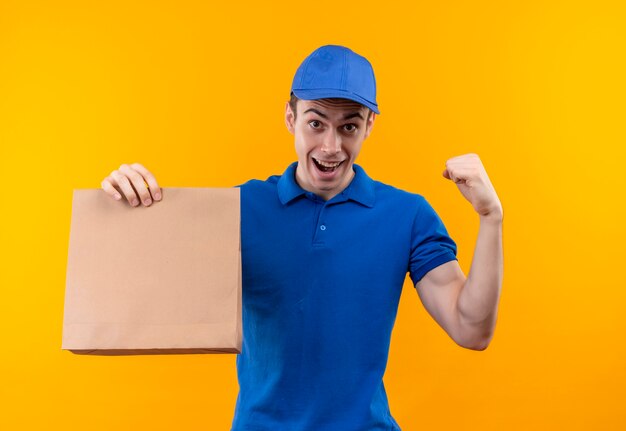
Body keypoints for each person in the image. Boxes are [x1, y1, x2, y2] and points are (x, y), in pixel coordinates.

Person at [101, 45, 503, 430]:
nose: (331, 146)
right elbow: (155, 291)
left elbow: (471, 329)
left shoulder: (408, 215)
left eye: (349, 126)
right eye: (316, 123)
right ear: (290, 118)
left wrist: (490, 218)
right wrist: (127, 204)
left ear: (369, 126)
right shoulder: (239, 207)